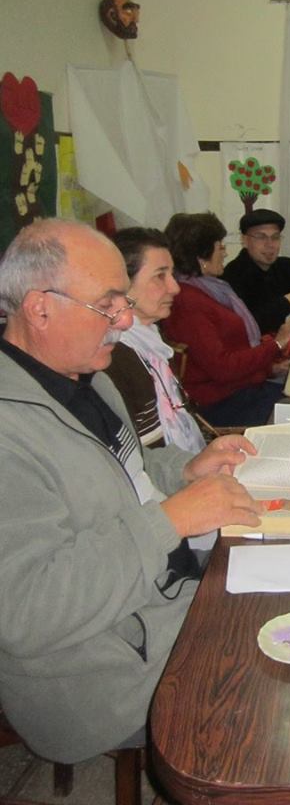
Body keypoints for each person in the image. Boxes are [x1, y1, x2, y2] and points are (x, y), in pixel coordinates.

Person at [0, 219, 261, 764]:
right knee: (280, 678)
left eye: (123, 300)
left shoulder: (86, 377)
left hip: (159, 597)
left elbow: (126, 471)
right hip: (99, 675)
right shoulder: (9, 433)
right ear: (39, 309)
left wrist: (186, 470)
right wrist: (170, 520)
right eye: (107, 305)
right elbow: (26, 613)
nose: (123, 319)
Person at [163, 212, 290, 427]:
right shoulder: (188, 302)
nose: (225, 253)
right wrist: (277, 344)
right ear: (202, 257)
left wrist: (270, 369)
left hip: (240, 390)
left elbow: (229, 355)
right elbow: (223, 367)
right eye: (220, 247)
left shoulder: (209, 290)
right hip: (222, 404)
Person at [106, 226, 205, 453]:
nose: (175, 288)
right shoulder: (112, 358)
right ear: (122, 283)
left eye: (172, 275)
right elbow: (141, 457)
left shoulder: (152, 344)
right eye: (160, 276)